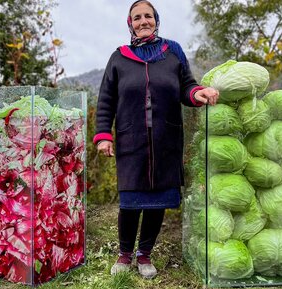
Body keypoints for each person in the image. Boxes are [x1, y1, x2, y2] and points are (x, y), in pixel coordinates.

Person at [92, 0, 219, 279]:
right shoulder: (119, 57)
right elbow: (106, 100)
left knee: (157, 202)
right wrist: (104, 135)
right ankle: (125, 254)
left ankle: (144, 254)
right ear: (130, 24)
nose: (143, 21)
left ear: (156, 20)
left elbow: (187, 85)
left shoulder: (172, 52)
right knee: (130, 202)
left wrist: (197, 94)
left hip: (166, 140)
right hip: (131, 141)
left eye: (148, 15)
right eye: (136, 17)